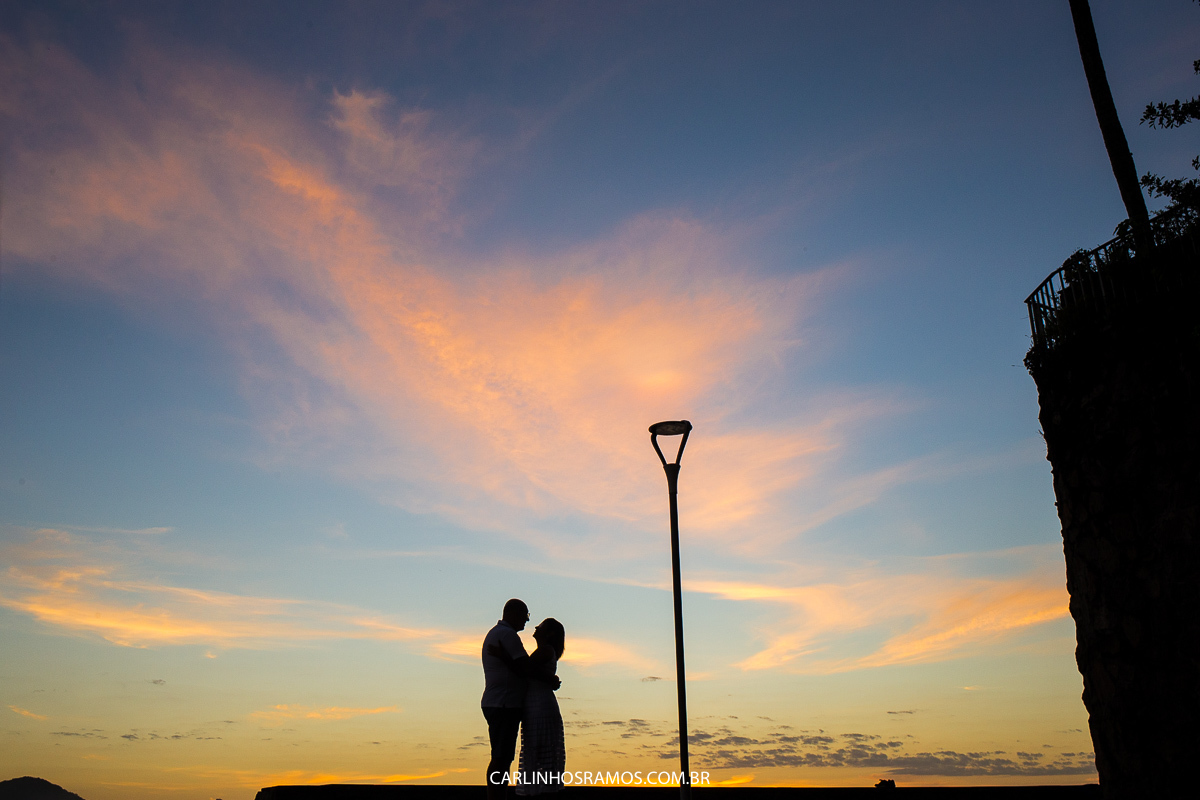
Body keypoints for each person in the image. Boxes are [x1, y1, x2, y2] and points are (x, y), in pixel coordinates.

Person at [490, 617, 566, 796]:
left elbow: (524, 669)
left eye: (541, 626)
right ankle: (542, 791)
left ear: (549, 633)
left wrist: (504, 657)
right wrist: (550, 679)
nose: (536, 627)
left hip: (539, 706)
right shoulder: (545, 651)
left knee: (541, 751)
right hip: (537, 704)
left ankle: (542, 792)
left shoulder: (545, 651)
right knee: (540, 751)